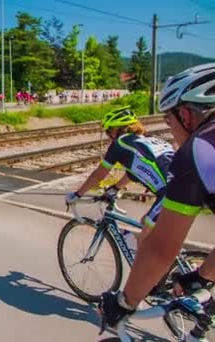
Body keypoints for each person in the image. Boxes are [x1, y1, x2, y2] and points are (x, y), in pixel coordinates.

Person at [98, 63, 215, 330]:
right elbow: (133, 170)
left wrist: (124, 303)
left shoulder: (198, 149)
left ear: (185, 114)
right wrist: (201, 277)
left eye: (168, 120)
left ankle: (149, 286)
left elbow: (163, 249)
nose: (170, 130)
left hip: (168, 194)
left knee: (149, 236)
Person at [66, 106, 175, 248]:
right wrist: (116, 188)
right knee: (151, 229)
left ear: (117, 129)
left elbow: (99, 175)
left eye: (109, 131)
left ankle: (150, 268)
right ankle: (178, 265)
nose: (108, 135)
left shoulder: (120, 144)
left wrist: (77, 194)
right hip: (187, 187)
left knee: (145, 243)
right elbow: (135, 172)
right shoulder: (149, 140)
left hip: (171, 193)